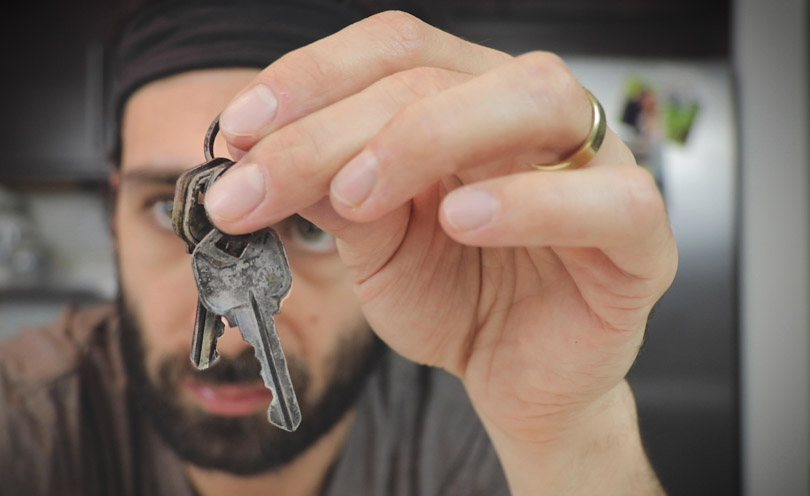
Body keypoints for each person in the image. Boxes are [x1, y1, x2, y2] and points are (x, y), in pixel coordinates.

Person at [0, 0, 678, 494]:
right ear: (113, 214)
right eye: (162, 207)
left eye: (314, 223)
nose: (237, 342)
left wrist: (565, 431)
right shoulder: (27, 420)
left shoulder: (478, 420)